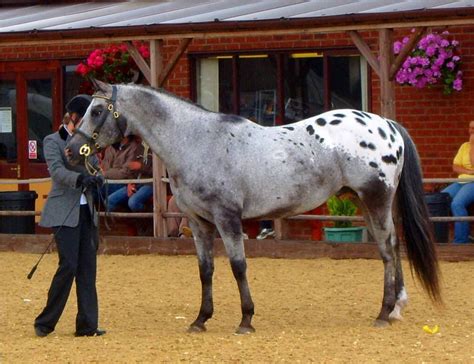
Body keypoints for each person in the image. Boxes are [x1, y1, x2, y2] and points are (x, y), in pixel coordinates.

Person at [34, 94, 106, 337]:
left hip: (87, 210)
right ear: (74, 117)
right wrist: (80, 177)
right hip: (64, 211)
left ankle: (87, 325)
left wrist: (97, 178)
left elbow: (96, 166)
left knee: (88, 268)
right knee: (69, 266)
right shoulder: (52, 141)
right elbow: (56, 172)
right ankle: (45, 322)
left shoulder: (87, 142)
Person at [442, 120, 474, 244]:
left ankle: (461, 241)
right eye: (470, 128)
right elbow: (455, 167)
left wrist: (472, 146)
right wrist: (469, 171)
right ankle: (441, 238)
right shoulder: (464, 146)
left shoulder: (470, 146)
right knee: (441, 199)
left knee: (457, 204)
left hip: (473, 182)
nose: (471, 131)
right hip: (462, 181)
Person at [106, 138, 154, 213]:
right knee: (109, 201)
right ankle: (118, 223)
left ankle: (151, 218)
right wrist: (130, 183)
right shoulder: (140, 146)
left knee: (133, 203)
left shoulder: (157, 148)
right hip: (137, 182)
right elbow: (131, 170)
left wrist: (141, 167)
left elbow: (162, 172)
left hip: (151, 183)